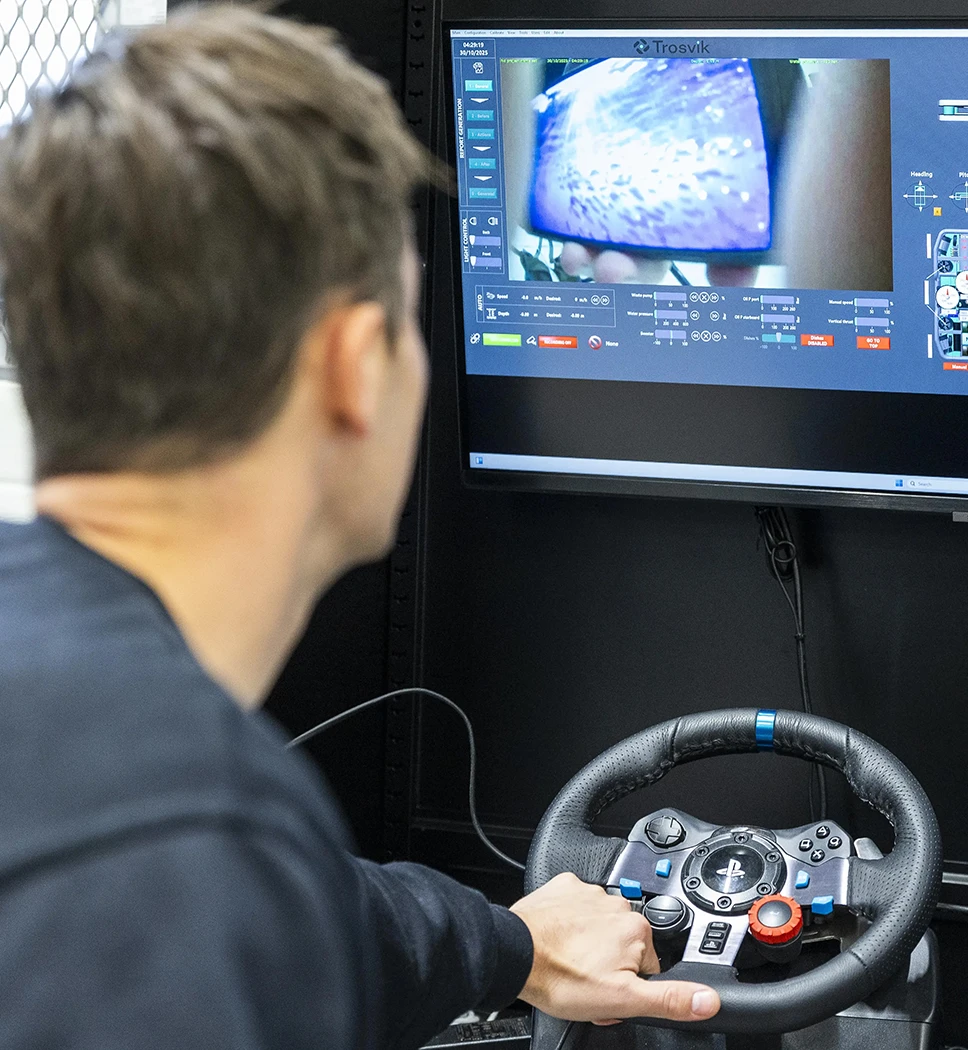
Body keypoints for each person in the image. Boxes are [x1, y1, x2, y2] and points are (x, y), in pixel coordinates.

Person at [0, 6, 718, 1048]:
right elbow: (196, 875)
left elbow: (282, 903)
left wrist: (504, 946)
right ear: (351, 367)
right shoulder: (180, 837)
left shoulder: (111, 764)